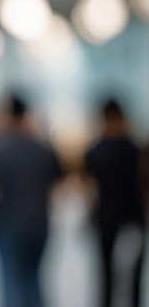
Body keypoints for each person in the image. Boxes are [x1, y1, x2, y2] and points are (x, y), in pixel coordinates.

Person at [0, 93, 63, 307]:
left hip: (7, 224)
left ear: (6, 115)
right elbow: (57, 189)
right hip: (39, 224)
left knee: (11, 283)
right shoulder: (43, 149)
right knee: (34, 280)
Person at [83, 98, 146, 307]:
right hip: (133, 217)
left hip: (105, 217)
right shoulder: (137, 150)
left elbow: (90, 191)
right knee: (135, 276)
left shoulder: (94, 152)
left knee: (105, 275)